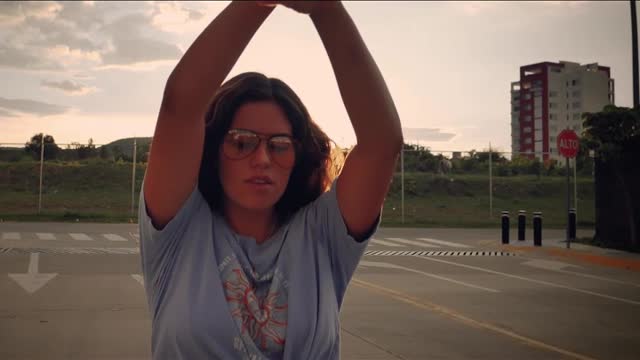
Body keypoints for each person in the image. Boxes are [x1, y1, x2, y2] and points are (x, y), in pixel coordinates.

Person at [138, 1, 403, 359]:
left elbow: (381, 143)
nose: (262, 159)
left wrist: (326, 9)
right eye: (242, 142)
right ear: (214, 148)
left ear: (299, 156)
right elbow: (180, 104)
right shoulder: (180, 229)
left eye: (279, 146)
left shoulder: (323, 234)